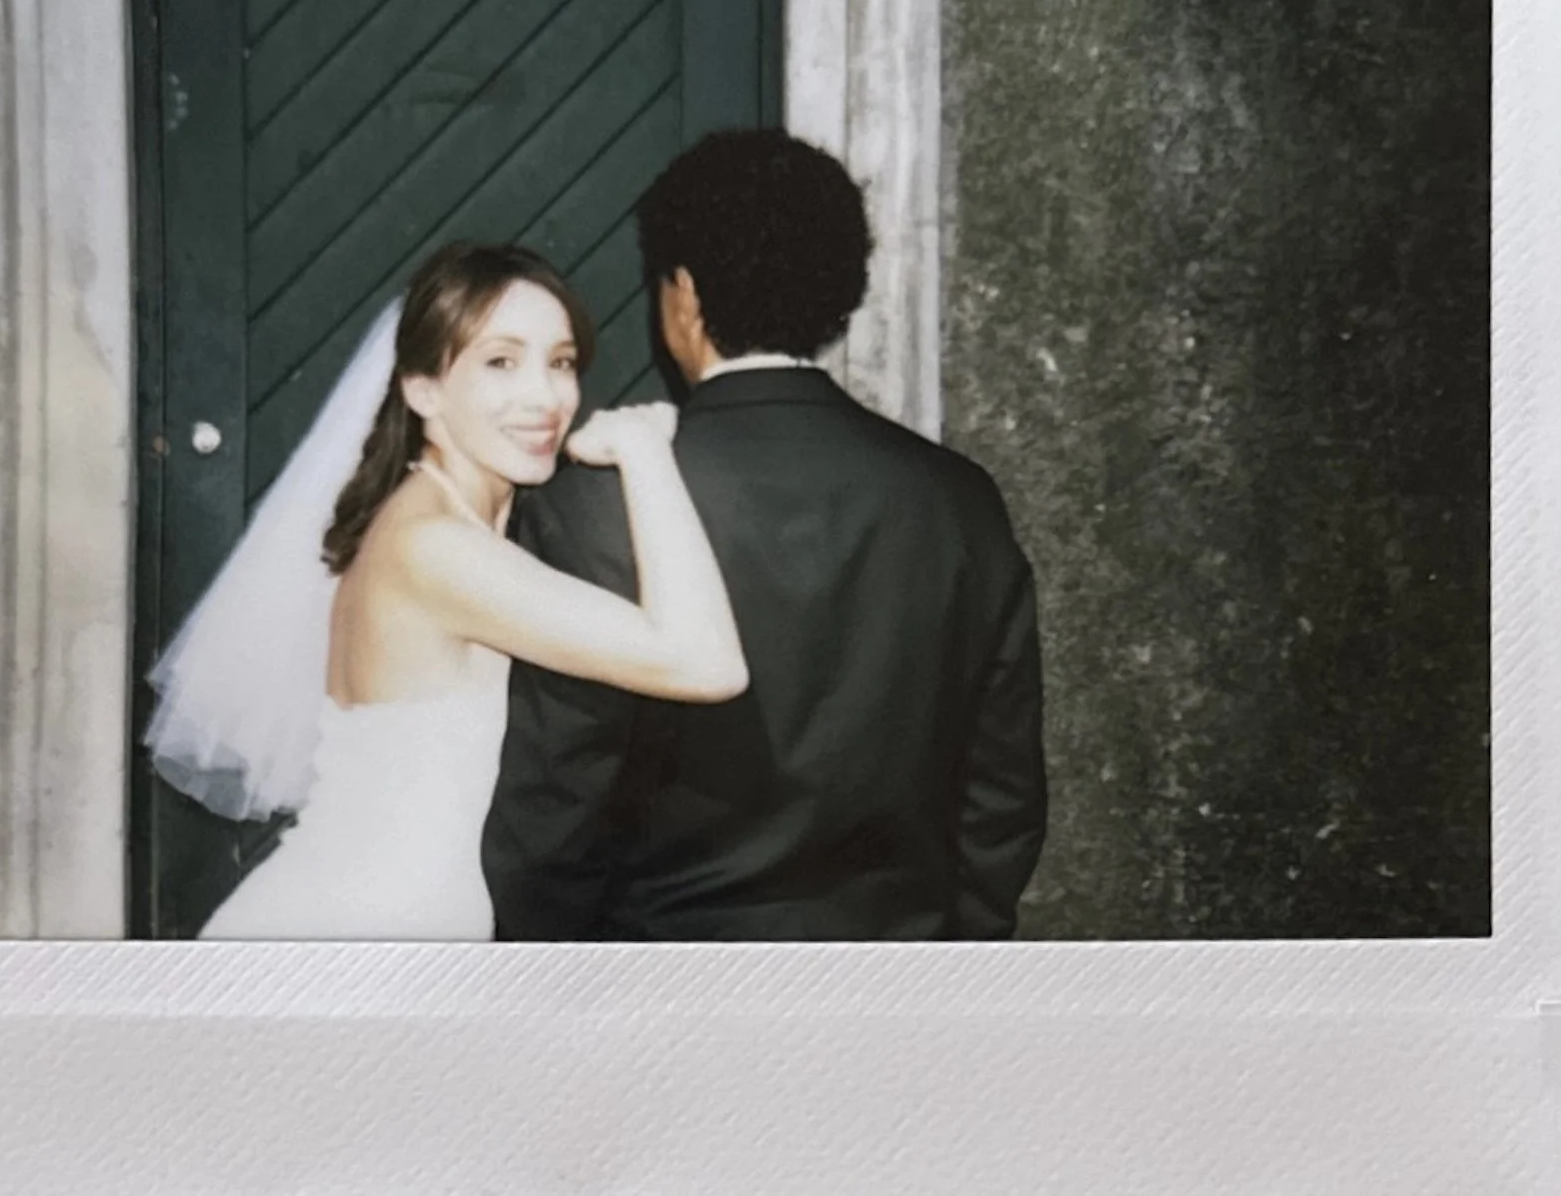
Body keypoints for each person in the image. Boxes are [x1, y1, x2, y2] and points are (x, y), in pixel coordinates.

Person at [482, 129, 1048, 941]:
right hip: (894, 990)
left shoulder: (592, 504)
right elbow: (1001, 798)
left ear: (682, 294)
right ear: (840, 292)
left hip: (660, 999)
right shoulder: (958, 502)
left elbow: (556, 803)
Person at [142, 241, 748, 940]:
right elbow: (706, 663)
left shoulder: (442, 524)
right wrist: (646, 452)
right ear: (422, 388)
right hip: (368, 937)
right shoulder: (434, 549)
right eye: (500, 362)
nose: (545, 396)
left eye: (560, 363)